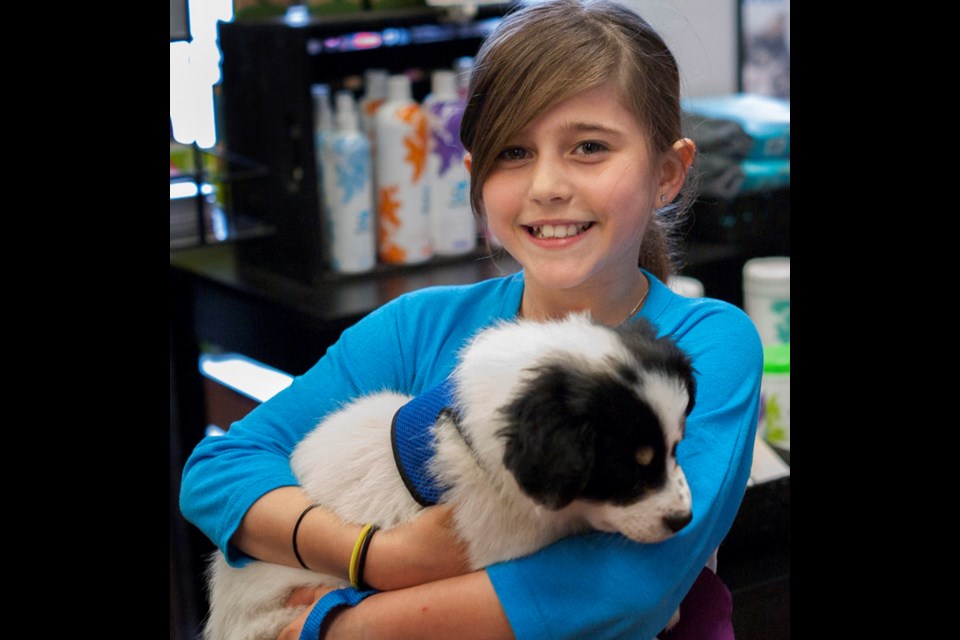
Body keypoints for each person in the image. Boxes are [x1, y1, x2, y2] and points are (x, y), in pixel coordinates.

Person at [179, 0, 763, 637]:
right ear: (474, 180)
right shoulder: (414, 327)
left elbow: (626, 589)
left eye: (589, 147)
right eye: (512, 152)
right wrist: (374, 556)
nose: (546, 184)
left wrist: (330, 629)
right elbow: (218, 470)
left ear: (667, 173)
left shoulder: (707, 343)